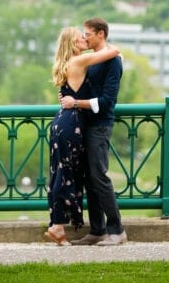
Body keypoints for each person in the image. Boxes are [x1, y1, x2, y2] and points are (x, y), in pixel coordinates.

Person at [44, 26, 120, 246]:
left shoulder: (70, 62)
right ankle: (57, 226)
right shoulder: (78, 62)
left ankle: (56, 223)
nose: (85, 41)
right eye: (81, 39)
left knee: (61, 171)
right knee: (65, 173)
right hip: (71, 125)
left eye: (87, 37)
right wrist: (109, 46)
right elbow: (113, 52)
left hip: (63, 122)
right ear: (72, 44)